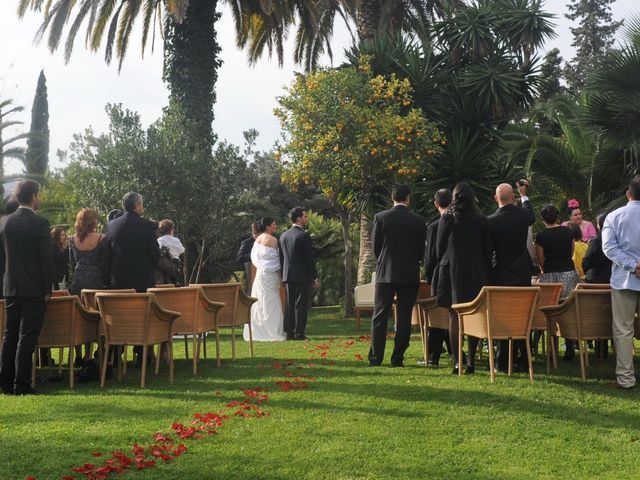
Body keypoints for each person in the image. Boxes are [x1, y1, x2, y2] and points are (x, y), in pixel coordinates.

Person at [0, 180, 53, 395]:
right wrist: (48, 288)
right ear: (33, 197)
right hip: (33, 288)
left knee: (9, 335)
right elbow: (45, 260)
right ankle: (21, 383)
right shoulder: (40, 223)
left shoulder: (5, 223)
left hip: (10, 286)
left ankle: (5, 382)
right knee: (27, 337)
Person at [436, 182, 492, 375]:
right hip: (475, 271)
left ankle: (457, 360)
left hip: (452, 269)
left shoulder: (448, 219)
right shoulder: (481, 220)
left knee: (453, 315)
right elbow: (487, 249)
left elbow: (439, 248)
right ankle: (471, 360)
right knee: (473, 312)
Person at [368, 184, 426, 367]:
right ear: (408, 198)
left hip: (386, 273)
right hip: (409, 274)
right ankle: (397, 358)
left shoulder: (381, 218)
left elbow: (375, 247)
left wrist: (384, 260)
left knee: (380, 315)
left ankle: (376, 357)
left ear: (392, 198)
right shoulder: (418, 220)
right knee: (404, 316)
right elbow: (420, 250)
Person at [488, 180, 535, 373]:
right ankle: (524, 359)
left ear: (496, 198)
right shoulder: (523, 215)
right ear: (513, 197)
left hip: (500, 272)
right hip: (522, 271)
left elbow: (488, 249)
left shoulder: (490, 221)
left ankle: (502, 361)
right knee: (522, 315)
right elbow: (531, 214)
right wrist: (524, 195)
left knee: (502, 316)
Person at [602, 176, 640, 390]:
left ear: (628, 193)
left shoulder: (614, 216)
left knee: (623, 331)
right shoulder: (615, 216)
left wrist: (632, 265)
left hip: (624, 280)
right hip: (627, 277)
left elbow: (609, 248)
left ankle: (626, 379)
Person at [535, 204, 580, 360]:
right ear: (558, 216)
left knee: (547, 311)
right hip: (568, 273)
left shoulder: (541, 236)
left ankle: (548, 347)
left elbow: (540, 259)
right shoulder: (568, 232)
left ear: (543, 219)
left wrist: (544, 269)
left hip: (550, 276)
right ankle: (569, 347)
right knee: (567, 310)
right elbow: (571, 252)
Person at [69, 208, 109, 365]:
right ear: (95, 221)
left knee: (78, 318)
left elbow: (72, 264)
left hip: (78, 281)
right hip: (96, 281)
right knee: (94, 318)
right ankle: (88, 355)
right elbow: (105, 264)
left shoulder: (72, 240)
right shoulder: (102, 239)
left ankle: (77, 355)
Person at [104, 192, 160, 292]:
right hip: (143, 285)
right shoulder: (148, 226)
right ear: (137, 205)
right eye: (142, 204)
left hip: (118, 284)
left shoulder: (110, 226)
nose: (143, 207)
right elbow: (155, 255)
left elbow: (107, 256)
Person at [422, 188, 452, 367]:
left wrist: (429, 275)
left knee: (437, 315)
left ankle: (433, 356)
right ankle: (453, 350)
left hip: (440, 274)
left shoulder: (434, 226)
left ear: (436, 203)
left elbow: (431, 255)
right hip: (456, 275)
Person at [244, 217, 286, 341]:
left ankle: (259, 331)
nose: (276, 226)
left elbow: (256, 258)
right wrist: (281, 276)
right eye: (274, 224)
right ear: (268, 226)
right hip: (270, 274)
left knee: (260, 302)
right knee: (272, 303)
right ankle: (273, 332)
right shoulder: (273, 240)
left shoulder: (257, 239)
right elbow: (275, 261)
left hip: (260, 274)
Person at [279, 207, 317, 340]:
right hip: (301, 274)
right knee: (300, 304)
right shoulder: (303, 235)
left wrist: (282, 276)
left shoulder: (283, 235)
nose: (307, 218)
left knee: (289, 304)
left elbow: (282, 258)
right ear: (299, 218)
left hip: (287, 275)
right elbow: (309, 258)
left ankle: (289, 332)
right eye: (305, 216)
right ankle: (299, 333)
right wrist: (314, 275)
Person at [582, 212, 612, 284]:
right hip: (614, 277)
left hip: (596, 278)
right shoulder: (617, 238)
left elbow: (587, 261)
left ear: (598, 225)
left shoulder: (596, 240)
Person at [156, 219, 184, 285]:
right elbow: (182, 250)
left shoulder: (160, 240)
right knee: (176, 282)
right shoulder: (176, 240)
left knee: (167, 281)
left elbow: (158, 252)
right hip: (176, 262)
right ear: (172, 229)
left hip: (166, 263)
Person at [236, 221, 260, 293]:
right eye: (256, 234)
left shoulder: (268, 240)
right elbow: (239, 258)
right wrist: (253, 254)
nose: (258, 236)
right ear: (253, 233)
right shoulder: (247, 242)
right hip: (251, 272)